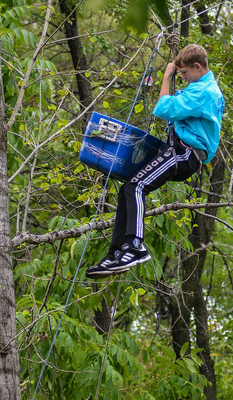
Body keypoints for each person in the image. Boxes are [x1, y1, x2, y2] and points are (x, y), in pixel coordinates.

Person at [85, 44, 224, 279]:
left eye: (184, 73)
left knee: (135, 186)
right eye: (179, 74)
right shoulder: (201, 87)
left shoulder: (203, 92)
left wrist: (167, 77)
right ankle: (116, 252)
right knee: (128, 189)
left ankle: (136, 245)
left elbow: (163, 108)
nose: (183, 77)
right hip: (180, 151)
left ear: (197, 67)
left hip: (184, 153)